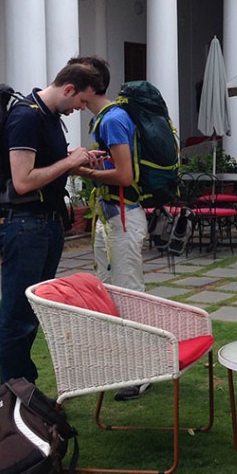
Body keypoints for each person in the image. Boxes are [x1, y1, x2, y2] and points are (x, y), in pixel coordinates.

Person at [0, 57, 110, 384]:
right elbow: (23, 181)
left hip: (46, 224)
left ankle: (25, 390)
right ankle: (15, 394)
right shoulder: (25, 117)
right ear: (69, 88)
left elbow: (47, 167)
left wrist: (78, 160)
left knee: (34, 312)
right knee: (18, 316)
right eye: (81, 101)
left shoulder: (48, 117)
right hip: (24, 226)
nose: (81, 108)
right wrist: (70, 160)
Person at [80, 76, 152, 400]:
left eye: (76, 87)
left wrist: (85, 172)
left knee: (130, 293)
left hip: (124, 218)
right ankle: (121, 364)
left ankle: (144, 371)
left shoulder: (112, 119)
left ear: (89, 89)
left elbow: (126, 175)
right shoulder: (105, 120)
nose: (72, 95)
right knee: (108, 290)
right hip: (109, 218)